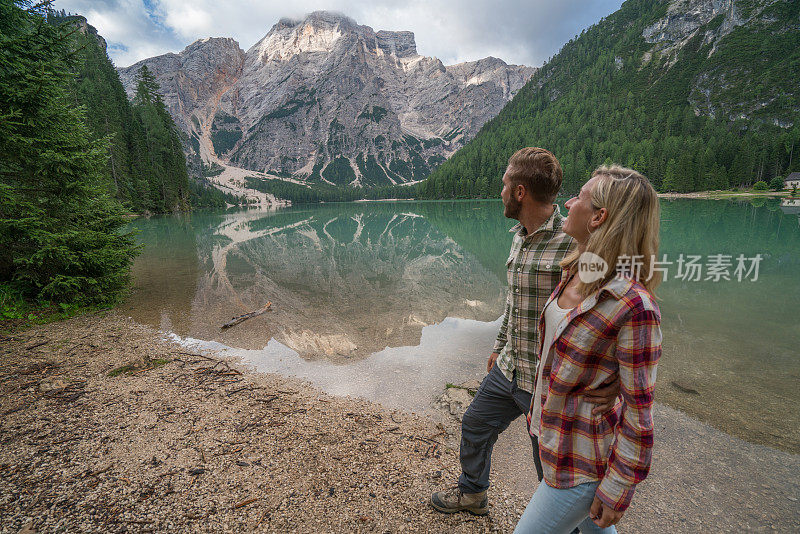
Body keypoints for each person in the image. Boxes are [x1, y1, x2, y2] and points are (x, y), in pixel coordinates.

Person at [430, 148, 619, 516]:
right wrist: (499, 345)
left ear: (519, 192)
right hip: (510, 366)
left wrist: (617, 377)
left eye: (504, 185)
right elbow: (515, 301)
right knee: (475, 424)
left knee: (549, 471)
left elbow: (616, 311)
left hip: (547, 384)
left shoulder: (575, 242)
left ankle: (566, 521)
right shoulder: (519, 235)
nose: (500, 192)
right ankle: (472, 495)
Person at [513, 165, 663, 533]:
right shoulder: (577, 269)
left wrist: (618, 488)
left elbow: (640, 412)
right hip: (553, 433)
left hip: (584, 460)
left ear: (599, 216)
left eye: (578, 196)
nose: (567, 201)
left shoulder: (633, 304)